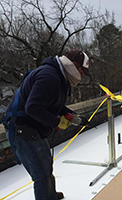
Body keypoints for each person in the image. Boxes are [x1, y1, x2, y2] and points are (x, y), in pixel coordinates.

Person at [2, 49, 91, 199]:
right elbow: (32, 107)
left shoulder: (59, 76)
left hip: (34, 127)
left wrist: (71, 115)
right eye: (82, 72)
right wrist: (57, 122)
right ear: (74, 65)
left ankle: (49, 195)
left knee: (46, 164)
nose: (81, 77)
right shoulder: (49, 77)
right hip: (22, 128)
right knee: (41, 174)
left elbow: (53, 104)